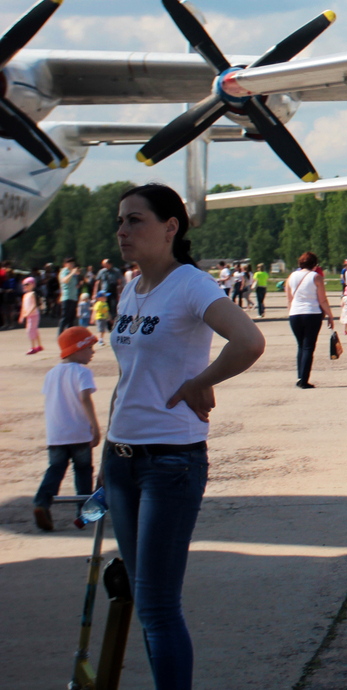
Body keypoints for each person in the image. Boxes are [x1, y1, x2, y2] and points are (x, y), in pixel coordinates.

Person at [104, 183, 265, 689]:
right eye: (121, 221)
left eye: (136, 220)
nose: (123, 231)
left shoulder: (190, 284)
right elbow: (127, 377)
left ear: (171, 227)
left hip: (169, 462)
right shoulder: (131, 288)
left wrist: (202, 381)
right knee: (140, 596)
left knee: (156, 605)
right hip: (120, 458)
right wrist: (103, 457)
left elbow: (249, 340)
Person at [33, 325, 102, 531]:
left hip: (56, 434)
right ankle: (84, 512)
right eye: (89, 348)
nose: (92, 352)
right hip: (79, 433)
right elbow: (84, 399)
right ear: (77, 349)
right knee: (82, 470)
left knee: (55, 470)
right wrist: (95, 427)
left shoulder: (52, 373)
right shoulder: (82, 372)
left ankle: (41, 503)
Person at [285, 252, 334, 390]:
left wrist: (291, 311)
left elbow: (289, 298)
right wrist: (330, 315)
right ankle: (304, 380)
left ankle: (300, 376)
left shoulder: (291, 276)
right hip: (312, 313)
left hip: (295, 314)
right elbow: (322, 299)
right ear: (314, 264)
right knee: (308, 347)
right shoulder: (316, 277)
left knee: (301, 345)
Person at [56, 258, 80, 334]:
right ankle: (60, 335)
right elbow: (65, 280)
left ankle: (70, 336)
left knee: (71, 319)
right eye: (71, 263)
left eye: (73, 263)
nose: (72, 265)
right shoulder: (64, 271)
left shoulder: (71, 272)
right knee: (65, 318)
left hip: (73, 297)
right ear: (66, 264)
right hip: (67, 297)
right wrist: (72, 273)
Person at [20, 275, 42, 353]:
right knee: (34, 330)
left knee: (30, 330)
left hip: (34, 315)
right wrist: (22, 316)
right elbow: (23, 307)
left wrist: (28, 313)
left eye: (27, 284)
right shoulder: (25, 295)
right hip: (29, 315)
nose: (25, 286)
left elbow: (34, 305)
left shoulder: (33, 294)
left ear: (32, 284)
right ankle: (39, 346)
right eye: (24, 285)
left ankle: (33, 347)